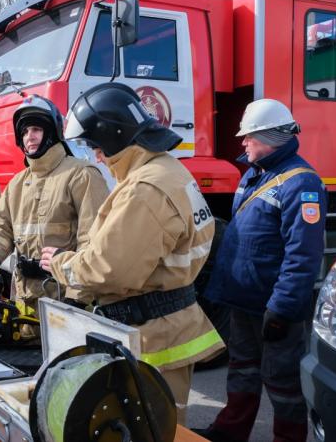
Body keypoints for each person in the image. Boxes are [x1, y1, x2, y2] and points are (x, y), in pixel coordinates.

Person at [40, 83, 225, 423]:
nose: (96, 156)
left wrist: (61, 264)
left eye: (96, 147)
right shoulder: (169, 170)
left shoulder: (144, 189)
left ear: (115, 137)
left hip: (151, 336)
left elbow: (110, 270)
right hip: (166, 324)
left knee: (147, 430)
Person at [194, 99, 326, 442]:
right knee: (242, 370)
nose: (243, 142)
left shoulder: (301, 183)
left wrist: (282, 309)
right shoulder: (255, 175)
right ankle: (229, 431)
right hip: (244, 303)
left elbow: (303, 256)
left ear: (270, 136)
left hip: (272, 308)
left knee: (282, 383)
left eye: (249, 136)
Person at [0, 95, 109, 325]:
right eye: (25, 132)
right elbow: (0, 226)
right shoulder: (18, 183)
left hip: (66, 303)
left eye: (36, 129)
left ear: (52, 132)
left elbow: (94, 242)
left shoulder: (81, 174)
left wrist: (76, 300)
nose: (30, 137)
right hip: (25, 304)